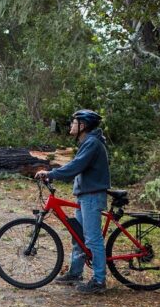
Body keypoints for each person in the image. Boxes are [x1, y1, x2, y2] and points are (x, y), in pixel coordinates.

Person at [35, 109, 110, 294]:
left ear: (82, 125)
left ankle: (99, 281)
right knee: (79, 237)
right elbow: (75, 166)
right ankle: (75, 273)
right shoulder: (88, 141)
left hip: (92, 196)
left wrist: (51, 173)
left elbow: (76, 166)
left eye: (74, 122)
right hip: (85, 194)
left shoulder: (91, 143)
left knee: (92, 238)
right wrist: (53, 173)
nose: (71, 125)